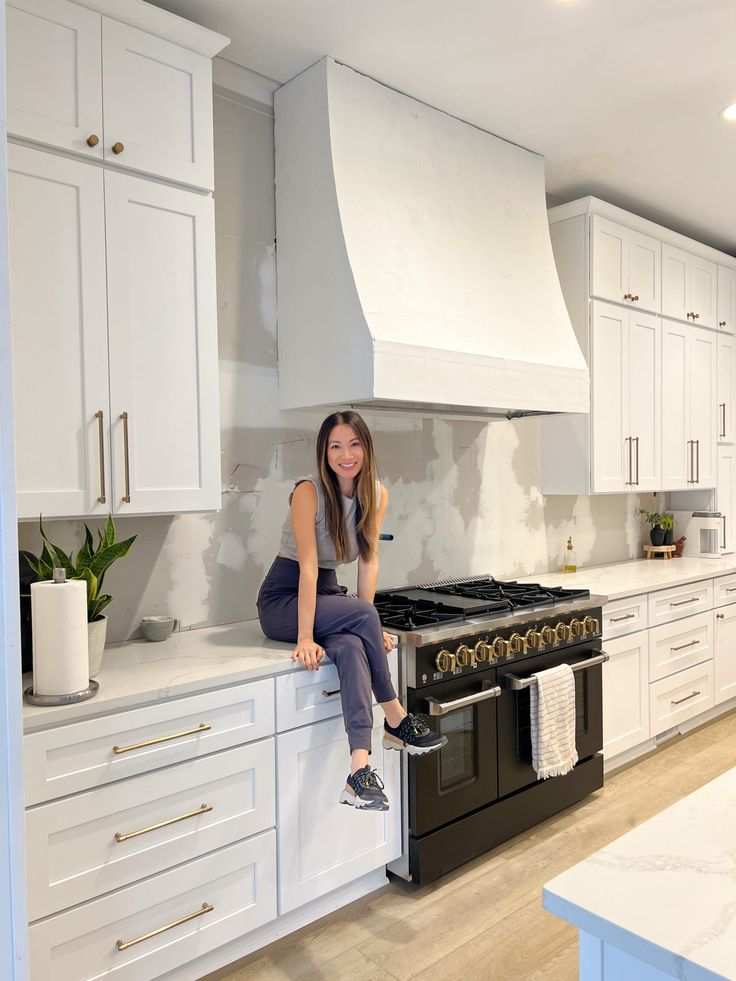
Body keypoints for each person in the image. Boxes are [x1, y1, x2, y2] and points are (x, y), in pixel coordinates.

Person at [257, 410, 446, 811]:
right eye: (336, 446)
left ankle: (359, 769)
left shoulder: (375, 495)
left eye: (354, 444)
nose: (346, 454)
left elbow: (368, 561)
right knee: (362, 617)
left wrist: (367, 627)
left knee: (351, 646)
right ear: (324, 453)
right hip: (283, 600)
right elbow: (308, 567)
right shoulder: (308, 492)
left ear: (366, 447)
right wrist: (306, 636)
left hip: (326, 597)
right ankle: (396, 719)